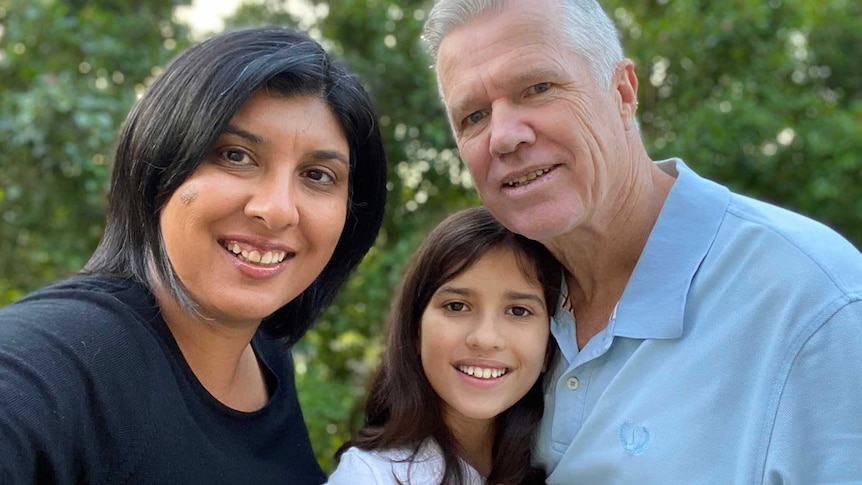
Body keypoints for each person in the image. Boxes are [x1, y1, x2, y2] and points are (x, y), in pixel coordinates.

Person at [422, 0, 862, 483]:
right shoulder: (491, 310)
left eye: (538, 88)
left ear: (623, 92)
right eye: (473, 117)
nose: (503, 136)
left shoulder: (815, 305)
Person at [0, 27, 387, 484]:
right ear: (158, 162)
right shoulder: (60, 358)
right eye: (236, 155)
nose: (278, 209)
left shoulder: (265, 355)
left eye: (318, 175)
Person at [327, 207, 560, 485]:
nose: (485, 338)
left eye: (518, 311)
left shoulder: (570, 465)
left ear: (548, 346)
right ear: (415, 330)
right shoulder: (371, 476)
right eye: (457, 306)